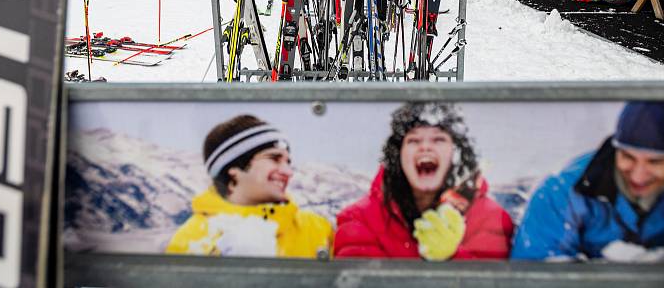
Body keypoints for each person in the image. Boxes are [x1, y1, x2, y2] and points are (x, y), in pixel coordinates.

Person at [511, 101, 664, 261]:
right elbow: (533, 271)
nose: (638, 176)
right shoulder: (565, 190)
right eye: (628, 157)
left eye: (655, 161)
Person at [334, 102, 513, 260]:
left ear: (456, 152)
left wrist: (452, 258)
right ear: (397, 154)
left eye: (439, 139)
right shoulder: (360, 219)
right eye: (413, 140)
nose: (425, 146)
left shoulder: (490, 218)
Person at [166, 115, 333, 258]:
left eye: (288, 162)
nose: (288, 172)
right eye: (274, 159)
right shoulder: (192, 240)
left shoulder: (317, 228)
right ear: (234, 171)